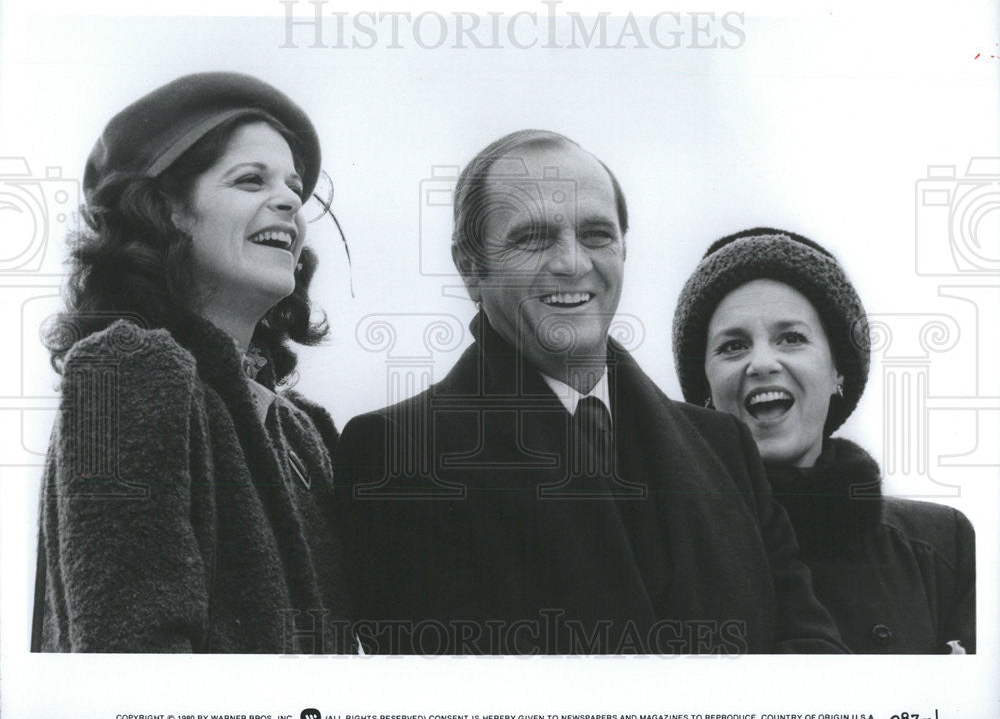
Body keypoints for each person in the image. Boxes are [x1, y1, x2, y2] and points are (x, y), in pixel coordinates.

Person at [334, 130, 846, 654]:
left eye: (597, 234)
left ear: (624, 249)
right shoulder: (400, 454)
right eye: (532, 237)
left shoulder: (725, 447)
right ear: (470, 269)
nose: (573, 262)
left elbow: (813, 654)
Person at [33, 72, 350, 653]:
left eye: (294, 187)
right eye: (250, 180)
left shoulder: (302, 431)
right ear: (169, 212)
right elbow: (129, 662)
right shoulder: (124, 372)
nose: (288, 200)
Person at [672, 227, 976, 653]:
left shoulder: (943, 547)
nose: (762, 363)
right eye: (733, 345)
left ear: (838, 371)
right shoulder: (665, 548)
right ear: (703, 386)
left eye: (791, 338)